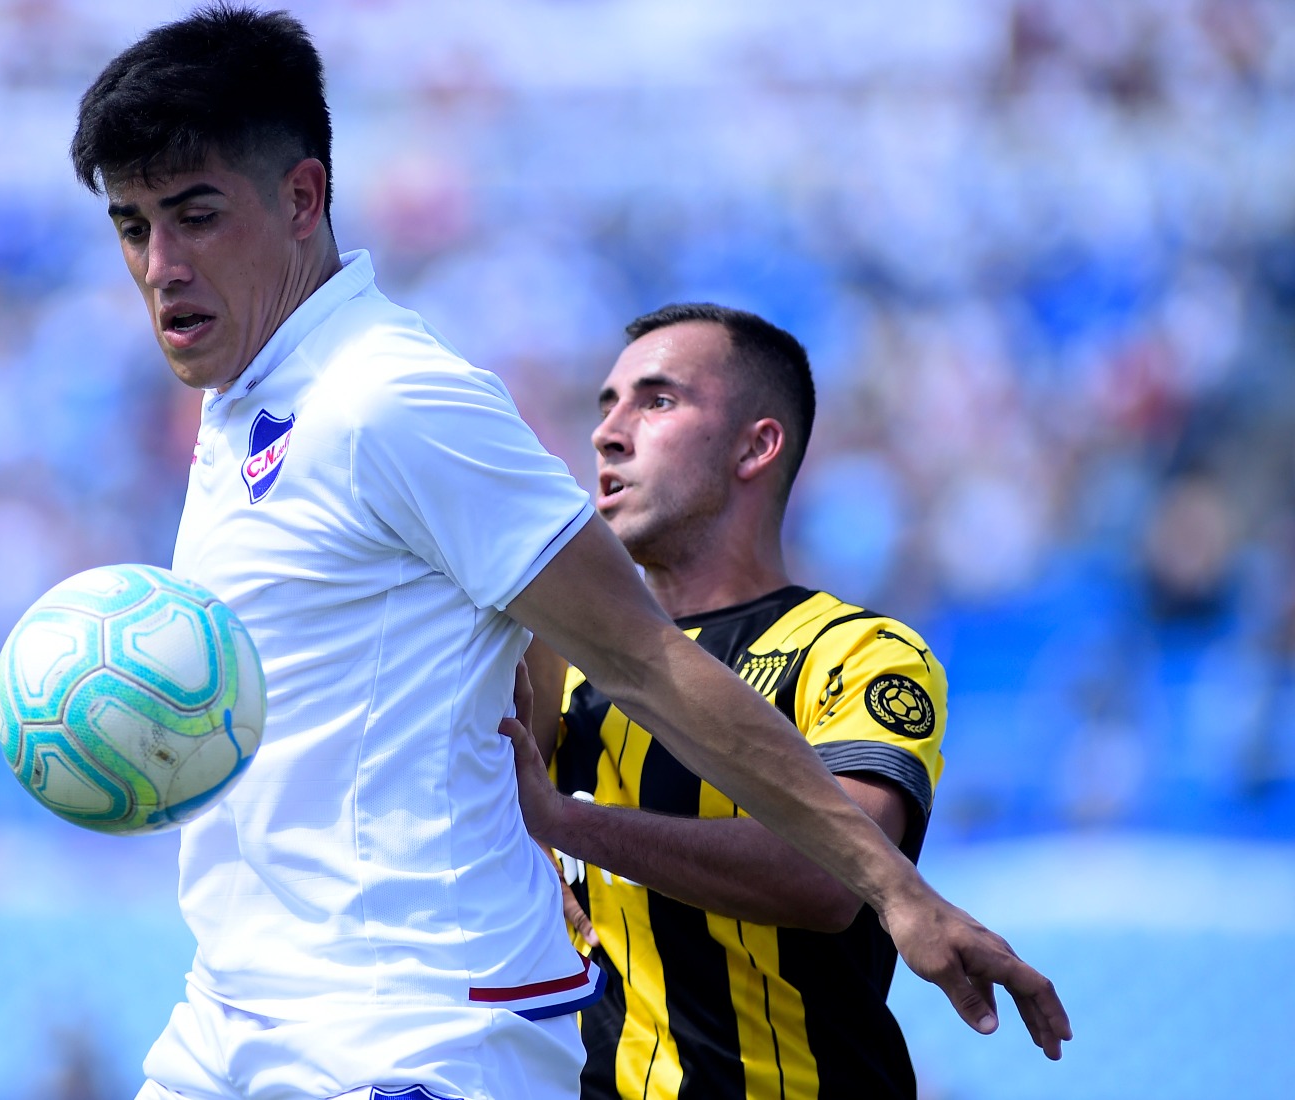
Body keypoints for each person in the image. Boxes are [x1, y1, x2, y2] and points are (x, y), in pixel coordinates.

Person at [70, 6, 1069, 1099]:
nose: (159, 264)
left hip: (400, 1029)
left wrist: (897, 892)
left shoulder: (392, 400)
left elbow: (642, 655)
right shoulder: (246, 403)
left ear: (302, 197)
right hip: (234, 1007)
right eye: (131, 226)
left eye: (194, 215)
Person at [509, 304, 946, 1098]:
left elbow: (834, 876)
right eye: (606, 405)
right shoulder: (559, 671)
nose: (610, 432)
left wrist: (572, 824)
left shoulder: (858, 653)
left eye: (658, 400)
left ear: (757, 445)